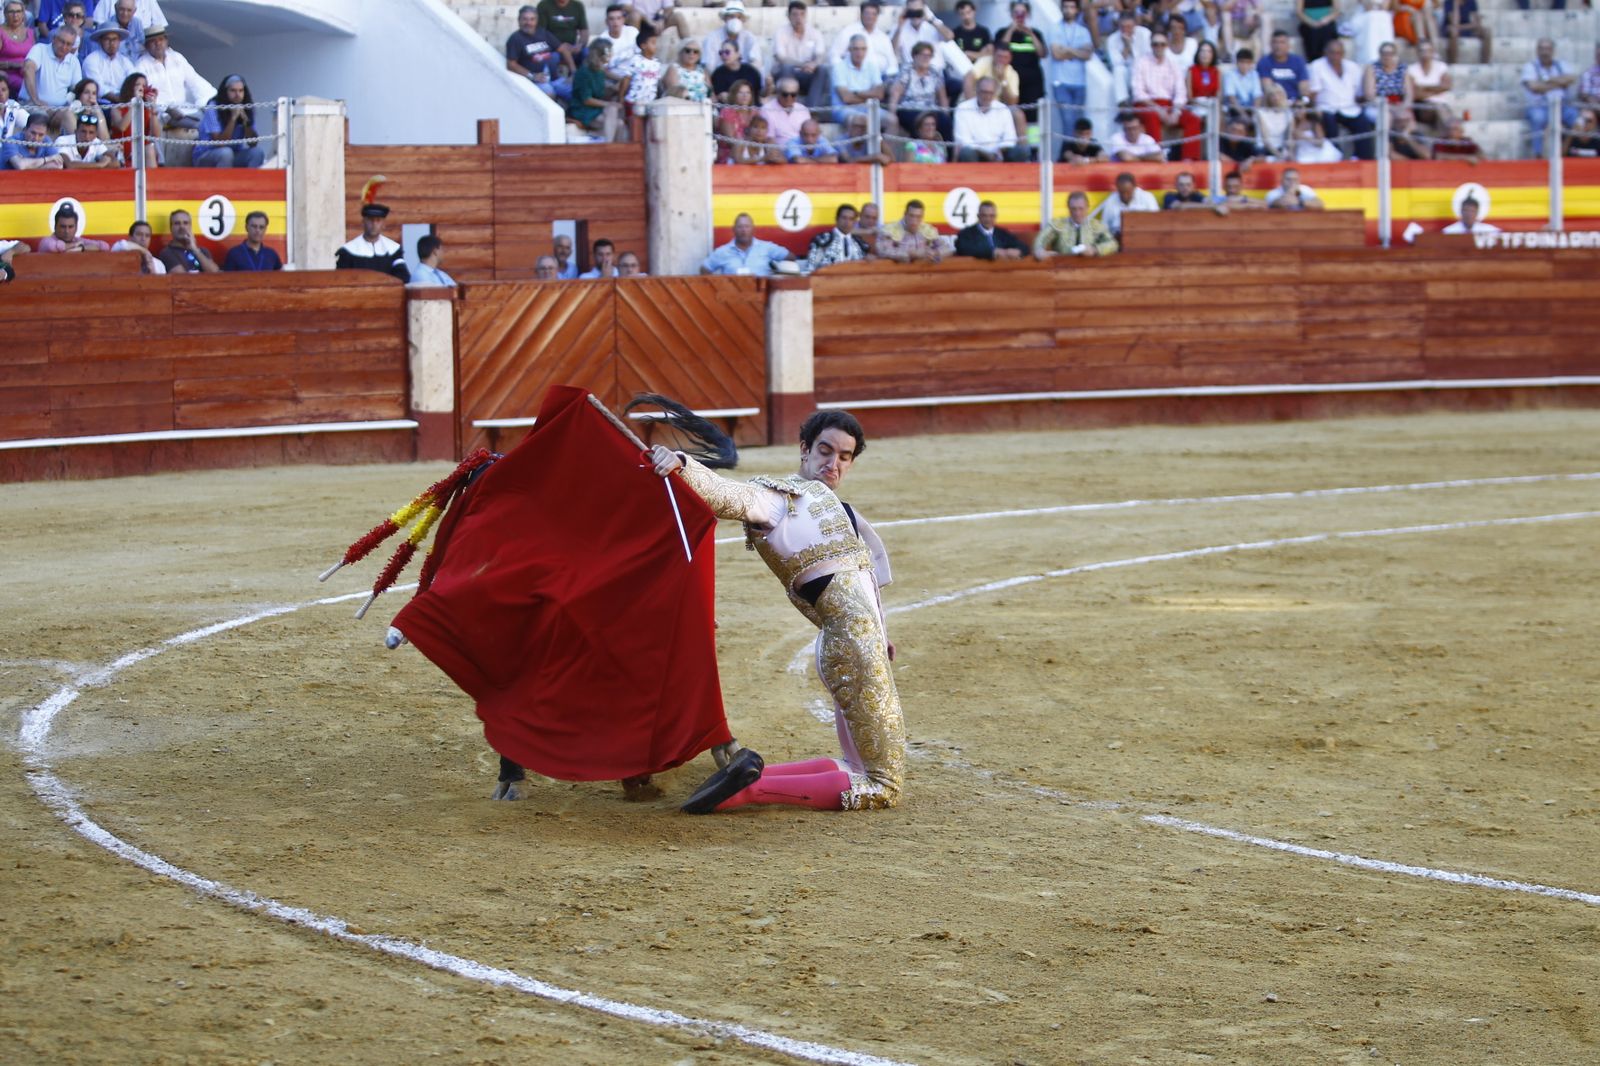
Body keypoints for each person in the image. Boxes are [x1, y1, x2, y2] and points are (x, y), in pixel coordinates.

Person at [648, 408, 905, 814]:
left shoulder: (845, 512)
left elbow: (865, 583)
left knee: (858, 765)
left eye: (844, 457)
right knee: (882, 783)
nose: (833, 463)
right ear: (805, 449)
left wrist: (882, 633)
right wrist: (683, 464)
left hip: (857, 642)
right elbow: (730, 495)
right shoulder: (780, 499)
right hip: (851, 643)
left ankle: (750, 776)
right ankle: (748, 792)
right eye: (825, 451)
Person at [135, 25, 211, 166]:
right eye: (153, 41)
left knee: (210, 121)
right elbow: (145, 95)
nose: (158, 44)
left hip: (186, 109)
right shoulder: (141, 65)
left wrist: (211, 102)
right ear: (147, 45)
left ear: (166, 41)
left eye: (161, 39)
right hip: (163, 114)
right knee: (200, 126)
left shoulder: (177, 58)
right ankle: (199, 160)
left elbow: (195, 81)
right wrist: (167, 108)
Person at [1310, 38, 1375, 161]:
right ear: (1325, 52)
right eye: (1332, 52)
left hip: (1349, 107)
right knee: (1329, 123)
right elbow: (1313, 93)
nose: (1335, 56)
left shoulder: (1352, 67)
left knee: (1363, 123)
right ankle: (1336, 157)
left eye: (1338, 53)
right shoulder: (1317, 66)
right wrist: (1314, 109)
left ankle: (1364, 159)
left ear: (1343, 53)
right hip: (1326, 108)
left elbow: (1358, 94)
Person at [334, 185, 408, 281]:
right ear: (363, 222)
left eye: (378, 220)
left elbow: (403, 277)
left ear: (383, 224)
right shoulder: (348, 251)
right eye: (370, 220)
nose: (374, 224)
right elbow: (341, 279)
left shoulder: (393, 250)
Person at [1522, 37, 1578, 157]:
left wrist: (1548, 81)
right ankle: (1538, 154)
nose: (1544, 52)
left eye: (1547, 49)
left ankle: (1568, 151)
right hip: (1539, 106)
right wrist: (1560, 83)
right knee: (1537, 118)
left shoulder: (1561, 64)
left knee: (1576, 118)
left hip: (1562, 105)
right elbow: (1534, 87)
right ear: (1537, 50)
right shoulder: (1530, 67)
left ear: (1553, 51)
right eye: (1541, 49)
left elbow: (1571, 78)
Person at [193, 73, 262, 167]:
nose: (237, 95)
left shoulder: (247, 106)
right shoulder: (213, 107)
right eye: (233, 91)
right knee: (226, 153)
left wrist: (246, 121)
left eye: (241, 91)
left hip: (234, 153)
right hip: (207, 154)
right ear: (225, 91)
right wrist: (233, 119)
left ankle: (249, 177)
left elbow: (253, 143)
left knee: (257, 153)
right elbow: (220, 143)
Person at [1048, 0, 1095, 138]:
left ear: (1077, 10)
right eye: (1066, 7)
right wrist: (1078, 51)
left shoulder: (1083, 31)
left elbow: (1088, 55)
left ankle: (1072, 150)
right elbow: (1056, 54)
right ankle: (1068, 151)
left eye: (1072, 7)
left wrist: (1067, 50)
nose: (1068, 10)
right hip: (1061, 82)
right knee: (1068, 123)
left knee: (1078, 125)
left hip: (1080, 83)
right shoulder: (1054, 28)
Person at [954, 76, 1026, 161]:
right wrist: (986, 155)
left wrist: (998, 151)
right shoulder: (963, 108)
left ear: (995, 94)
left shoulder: (1003, 109)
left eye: (990, 93)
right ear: (977, 91)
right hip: (976, 154)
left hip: (999, 154)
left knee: (1021, 151)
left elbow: (1010, 138)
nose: (987, 96)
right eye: (984, 92)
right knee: (967, 153)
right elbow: (964, 141)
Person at [505, 4, 568, 101]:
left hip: (553, 78)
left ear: (536, 21)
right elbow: (511, 64)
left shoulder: (543, 33)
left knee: (575, 90)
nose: (528, 23)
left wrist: (574, 71)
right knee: (549, 94)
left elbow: (563, 49)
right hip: (534, 81)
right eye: (525, 19)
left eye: (532, 19)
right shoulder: (515, 39)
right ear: (519, 20)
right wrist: (532, 76)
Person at [994, 1, 1046, 116]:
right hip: (1009, 81)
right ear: (1011, 14)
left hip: (1032, 84)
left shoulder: (1036, 33)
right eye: (1016, 13)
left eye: (1023, 13)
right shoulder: (1002, 32)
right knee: (1009, 114)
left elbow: (1042, 54)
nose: (1019, 16)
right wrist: (1011, 30)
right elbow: (1000, 49)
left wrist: (1031, 34)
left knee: (1031, 115)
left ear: (1028, 14)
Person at [889, 41, 948, 141]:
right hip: (909, 108)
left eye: (929, 56)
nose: (926, 58)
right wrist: (892, 113)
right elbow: (896, 93)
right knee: (920, 122)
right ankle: (918, 149)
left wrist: (946, 113)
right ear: (914, 56)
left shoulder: (935, 72)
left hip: (930, 109)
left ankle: (947, 150)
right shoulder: (906, 70)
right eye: (922, 55)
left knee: (945, 122)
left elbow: (943, 97)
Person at [21, 24, 80, 121]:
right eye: (62, 41)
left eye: (68, 44)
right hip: (32, 104)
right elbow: (28, 69)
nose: (64, 47)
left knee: (71, 116)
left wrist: (66, 107)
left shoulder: (74, 61)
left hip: (60, 108)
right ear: (54, 39)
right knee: (41, 116)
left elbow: (77, 88)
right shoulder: (40, 49)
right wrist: (35, 99)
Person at [701, 212, 793, 274]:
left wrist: (778, 272)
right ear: (734, 229)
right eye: (740, 227)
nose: (744, 230)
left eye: (747, 226)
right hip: (732, 297)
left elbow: (791, 257)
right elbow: (704, 269)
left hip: (760, 296)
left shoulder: (767, 248)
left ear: (753, 229)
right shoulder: (722, 252)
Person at [1035, 190, 1119, 257]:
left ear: (1087, 208)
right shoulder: (1058, 224)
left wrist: (1095, 250)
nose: (1077, 213)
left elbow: (1113, 244)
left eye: (1081, 209)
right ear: (1069, 208)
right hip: (1062, 269)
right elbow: (1040, 241)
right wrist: (1040, 252)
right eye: (1073, 209)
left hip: (1090, 269)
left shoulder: (1096, 225)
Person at [830, 0, 897, 79]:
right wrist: (844, 73)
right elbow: (834, 55)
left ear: (877, 16)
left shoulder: (883, 37)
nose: (870, 17)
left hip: (882, 77)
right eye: (867, 13)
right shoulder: (848, 32)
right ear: (861, 14)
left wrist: (888, 74)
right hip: (855, 77)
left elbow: (892, 61)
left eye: (874, 14)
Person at [830, 33, 887, 127]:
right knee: (862, 120)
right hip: (844, 109)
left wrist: (856, 93)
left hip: (868, 107)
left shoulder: (872, 66)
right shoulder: (839, 68)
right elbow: (847, 98)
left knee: (892, 120)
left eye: (863, 49)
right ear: (849, 49)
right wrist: (869, 97)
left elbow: (880, 94)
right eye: (856, 49)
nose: (859, 53)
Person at [774, 1, 825, 102]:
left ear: (806, 16)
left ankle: (812, 107)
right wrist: (802, 65)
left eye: (802, 14)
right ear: (788, 16)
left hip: (807, 73)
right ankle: (788, 105)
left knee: (822, 69)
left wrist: (814, 64)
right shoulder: (781, 32)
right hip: (787, 74)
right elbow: (781, 57)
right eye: (795, 14)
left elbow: (820, 54)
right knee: (786, 67)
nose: (799, 18)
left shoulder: (815, 32)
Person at [106, 69, 157, 166]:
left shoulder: (146, 110)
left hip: (143, 151)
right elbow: (122, 127)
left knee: (150, 148)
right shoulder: (117, 108)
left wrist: (153, 108)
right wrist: (134, 103)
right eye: (138, 85)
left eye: (144, 85)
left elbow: (156, 134)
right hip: (123, 150)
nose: (141, 88)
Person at [619, 26, 661, 142]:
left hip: (650, 102)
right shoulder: (635, 60)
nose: (656, 46)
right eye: (653, 43)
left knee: (649, 130)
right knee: (635, 128)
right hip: (634, 101)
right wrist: (621, 97)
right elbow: (626, 79)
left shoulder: (657, 63)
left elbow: (656, 84)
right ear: (643, 45)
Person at [805, 202, 871, 273]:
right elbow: (810, 268)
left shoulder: (861, 244)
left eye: (851, 219)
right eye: (844, 218)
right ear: (837, 219)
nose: (847, 222)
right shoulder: (822, 240)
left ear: (854, 222)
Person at [703, 0, 763, 73]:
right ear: (725, 18)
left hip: (744, 77)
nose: (735, 20)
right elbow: (709, 65)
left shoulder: (750, 38)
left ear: (743, 20)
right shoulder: (712, 38)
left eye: (739, 17)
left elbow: (756, 62)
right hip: (720, 76)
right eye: (731, 16)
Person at [954, 200, 1026, 260]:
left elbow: (1024, 247)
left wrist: (1018, 251)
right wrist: (992, 252)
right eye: (984, 215)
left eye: (991, 216)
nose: (988, 219)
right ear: (978, 216)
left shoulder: (1002, 233)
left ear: (996, 217)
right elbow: (963, 249)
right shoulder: (966, 233)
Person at [876, 199, 943, 263]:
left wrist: (935, 253)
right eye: (911, 216)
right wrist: (910, 254)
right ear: (905, 214)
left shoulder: (927, 229)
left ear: (922, 216)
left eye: (918, 217)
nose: (914, 221)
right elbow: (882, 251)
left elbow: (946, 247)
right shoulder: (890, 229)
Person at [1407, 38, 1452, 129]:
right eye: (1422, 50)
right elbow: (1414, 94)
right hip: (1421, 106)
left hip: (1441, 105)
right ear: (1417, 52)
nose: (1425, 53)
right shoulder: (1411, 69)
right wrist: (1438, 90)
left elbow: (1447, 86)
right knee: (1439, 111)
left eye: (1428, 50)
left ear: (1432, 52)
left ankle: (1448, 133)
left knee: (1441, 111)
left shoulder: (1441, 66)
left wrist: (1424, 87)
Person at [1097, 171, 1159, 238]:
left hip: (1144, 237)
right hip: (1117, 239)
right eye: (1121, 192)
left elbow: (1157, 222)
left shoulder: (1147, 197)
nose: (1125, 196)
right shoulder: (1110, 201)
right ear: (1117, 188)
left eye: (1128, 192)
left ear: (1134, 187)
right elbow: (1104, 226)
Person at [159, 207, 218, 272]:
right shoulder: (167, 253)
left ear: (190, 226)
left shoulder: (203, 251)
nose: (182, 227)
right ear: (171, 228)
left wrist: (195, 250)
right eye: (177, 223)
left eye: (185, 223)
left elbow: (215, 273)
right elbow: (181, 276)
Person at [536, 0, 587, 74]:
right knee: (553, 57)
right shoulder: (544, 5)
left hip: (573, 47)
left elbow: (584, 30)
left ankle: (584, 78)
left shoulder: (577, 6)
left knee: (587, 52)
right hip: (552, 49)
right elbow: (541, 32)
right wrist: (559, 46)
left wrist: (580, 45)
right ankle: (554, 79)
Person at [1260, 30, 1311, 104]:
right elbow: (1268, 88)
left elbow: (1304, 86)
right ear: (1270, 44)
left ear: (1288, 45)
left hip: (1295, 103)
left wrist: (1302, 100)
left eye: (1282, 42)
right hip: (1275, 103)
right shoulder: (1264, 62)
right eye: (1275, 42)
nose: (1278, 46)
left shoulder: (1298, 61)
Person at [758, 75, 811, 145]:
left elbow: (809, 134)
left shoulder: (803, 109)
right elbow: (769, 139)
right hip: (780, 148)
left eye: (793, 94)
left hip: (802, 147)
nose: (789, 98)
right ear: (778, 93)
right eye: (785, 94)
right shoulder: (767, 109)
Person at [38, 202, 109, 251]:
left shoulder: (79, 241)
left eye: (70, 227)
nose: (67, 231)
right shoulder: (46, 242)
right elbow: (57, 247)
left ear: (76, 227)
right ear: (55, 227)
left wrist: (82, 248)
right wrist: (76, 245)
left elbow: (104, 246)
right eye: (63, 227)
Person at [83, 23, 132, 94]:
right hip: (100, 100)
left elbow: (134, 80)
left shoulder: (125, 61)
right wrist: (120, 99)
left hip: (124, 98)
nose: (112, 43)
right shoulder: (91, 60)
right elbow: (98, 88)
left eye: (115, 39)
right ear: (100, 41)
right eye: (107, 39)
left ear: (119, 41)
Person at [0, 0, 34, 101]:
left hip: (27, 72)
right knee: (24, 84)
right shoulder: (1, 32)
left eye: (19, 11)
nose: (15, 15)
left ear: (23, 14)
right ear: (5, 14)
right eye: (11, 12)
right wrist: (14, 65)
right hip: (6, 73)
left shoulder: (30, 32)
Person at [1439, 0, 1489, 66]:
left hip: (1465, 28)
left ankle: (1485, 63)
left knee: (1487, 32)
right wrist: (1456, 5)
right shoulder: (1448, 2)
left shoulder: (1471, 2)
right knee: (1454, 32)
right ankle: (1453, 63)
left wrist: (1461, 27)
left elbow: (1477, 23)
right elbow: (1454, 22)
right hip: (1450, 29)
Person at [597, 3, 639, 78]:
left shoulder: (633, 32)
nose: (615, 22)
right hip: (615, 77)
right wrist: (621, 80)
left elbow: (641, 56)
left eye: (618, 18)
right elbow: (604, 69)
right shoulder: (602, 40)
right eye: (611, 19)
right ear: (606, 22)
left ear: (623, 20)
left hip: (635, 74)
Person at [1223, 47, 1263, 116]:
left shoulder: (1254, 74)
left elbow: (1257, 96)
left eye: (1247, 63)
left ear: (1251, 64)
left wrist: (1254, 113)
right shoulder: (1230, 75)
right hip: (1234, 111)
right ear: (1237, 62)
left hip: (1250, 111)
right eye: (1242, 62)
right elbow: (1231, 98)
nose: (1244, 65)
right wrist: (1243, 114)